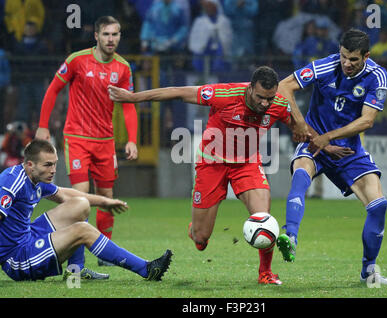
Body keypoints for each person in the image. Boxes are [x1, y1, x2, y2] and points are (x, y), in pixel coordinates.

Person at [108, 66, 349, 285]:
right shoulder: (223, 94)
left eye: (270, 98)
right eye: (260, 97)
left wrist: (326, 146)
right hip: (211, 163)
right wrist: (133, 97)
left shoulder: (278, 104)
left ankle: (265, 273)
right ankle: (196, 229)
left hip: (247, 164)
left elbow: (302, 128)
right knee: (201, 239)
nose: (265, 104)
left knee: (264, 217)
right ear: (250, 88)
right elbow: (177, 92)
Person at [276, 29, 387, 286]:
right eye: (343, 56)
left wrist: (328, 138)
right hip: (315, 141)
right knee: (301, 173)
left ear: (366, 56)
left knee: (379, 204)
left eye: (353, 59)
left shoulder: (377, 76)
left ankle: (369, 272)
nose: (346, 64)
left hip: (349, 151)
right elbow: (284, 86)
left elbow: (367, 120)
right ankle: (291, 237)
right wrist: (302, 126)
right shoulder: (326, 65)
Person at [35, 16, 138, 273]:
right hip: (77, 139)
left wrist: (133, 140)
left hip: (106, 141)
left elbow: (127, 104)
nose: (111, 39)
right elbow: (52, 90)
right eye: (106, 34)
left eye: (115, 35)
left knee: (106, 198)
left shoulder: (123, 68)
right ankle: (76, 265)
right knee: (80, 200)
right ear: (96, 35)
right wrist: (43, 125)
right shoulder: (77, 60)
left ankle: (106, 254)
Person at [0, 139, 172, 282]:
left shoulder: (36, 179)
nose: (53, 170)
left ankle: (76, 271)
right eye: (47, 165)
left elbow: (67, 194)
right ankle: (146, 269)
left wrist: (105, 201)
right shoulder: (12, 181)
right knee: (82, 230)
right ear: (30, 165)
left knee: (80, 204)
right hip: (16, 259)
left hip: (28, 238)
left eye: (54, 164)